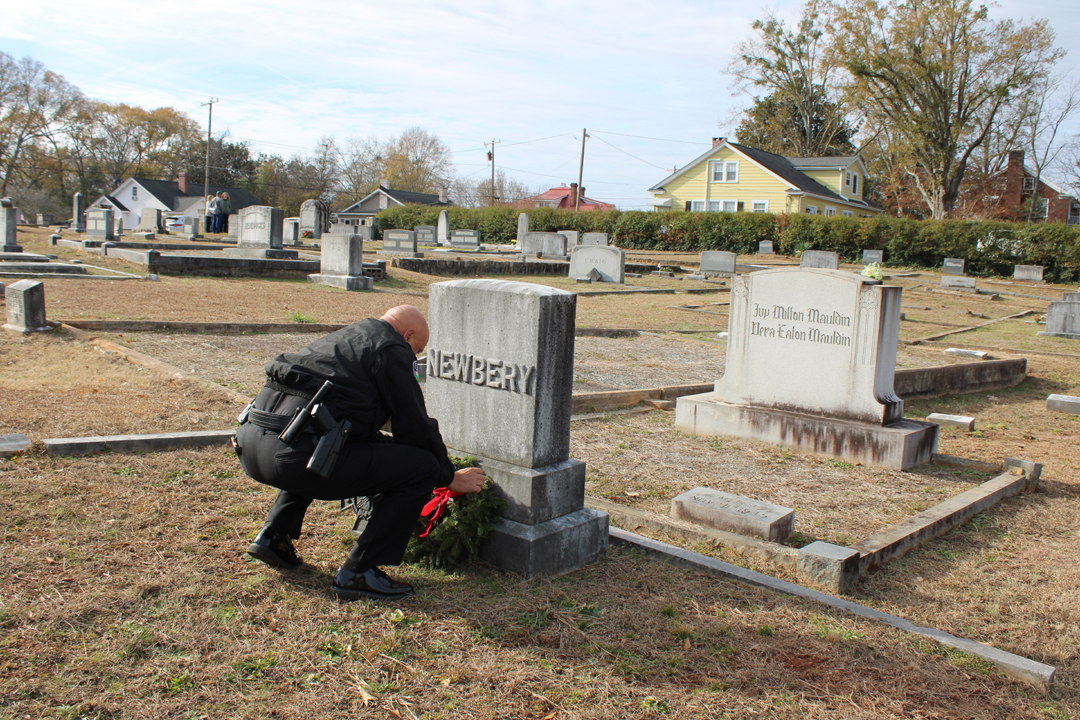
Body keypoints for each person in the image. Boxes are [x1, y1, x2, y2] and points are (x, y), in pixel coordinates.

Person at [234, 304, 485, 601]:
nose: (413, 358)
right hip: (297, 456)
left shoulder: (347, 337)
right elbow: (413, 423)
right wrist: (446, 475)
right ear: (408, 335)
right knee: (423, 467)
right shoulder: (391, 348)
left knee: (315, 444)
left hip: (254, 444)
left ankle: (273, 536)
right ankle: (358, 571)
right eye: (415, 351)